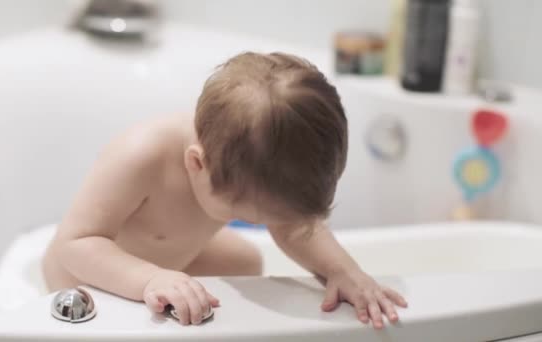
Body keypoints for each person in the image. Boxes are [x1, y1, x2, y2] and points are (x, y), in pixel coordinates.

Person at [43, 52, 407, 328]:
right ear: (196, 164)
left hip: (169, 261)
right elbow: (74, 244)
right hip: (85, 287)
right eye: (242, 215)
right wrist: (148, 280)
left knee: (243, 261)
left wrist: (341, 269)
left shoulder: (245, 161)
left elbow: (291, 226)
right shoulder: (141, 156)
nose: (265, 225)